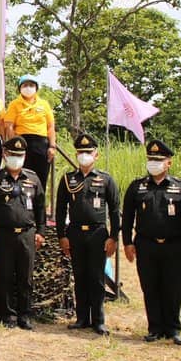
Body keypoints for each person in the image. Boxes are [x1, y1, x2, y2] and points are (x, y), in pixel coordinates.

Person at [121, 139, 181, 345]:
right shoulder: (137, 187)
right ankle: (154, 327)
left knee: (173, 287)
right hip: (146, 244)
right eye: (151, 159)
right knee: (150, 286)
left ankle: (172, 328)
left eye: (159, 160)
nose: (154, 163)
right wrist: (127, 243)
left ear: (168, 163)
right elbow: (127, 218)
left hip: (173, 245)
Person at [54, 133, 120, 336]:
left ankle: (98, 320)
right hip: (75, 233)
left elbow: (115, 210)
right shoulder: (68, 179)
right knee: (80, 275)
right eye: (81, 152)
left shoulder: (105, 179)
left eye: (88, 152)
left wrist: (113, 237)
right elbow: (60, 210)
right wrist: (62, 236)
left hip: (98, 233)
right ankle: (82, 318)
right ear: (76, 154)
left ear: (96, 155)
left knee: (97, 277)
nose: (84, 155)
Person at [0, 136, 46, 330]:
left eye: (20, 155)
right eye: (12, 155)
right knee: (5, 275)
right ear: (5, 155)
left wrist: (41, 231)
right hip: (3, 234)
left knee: (26, 277)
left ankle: (25, 314)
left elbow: (41, 208)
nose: (16, 158)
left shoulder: (32, 178)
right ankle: (8, 314)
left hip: (27, 233)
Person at [3, 75, 56, 189]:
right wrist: (14, 145)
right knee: (22, 176)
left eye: (31, 85)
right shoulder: (14, 104)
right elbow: (9, 126)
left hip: (41, 144)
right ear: (20, 88)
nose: (28, 88)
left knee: (41, 177)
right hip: (22, 143)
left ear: (36, 88)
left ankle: (39, 199)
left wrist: (52, 146)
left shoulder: (44, 104)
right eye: (25, 85)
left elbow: (50, 127)